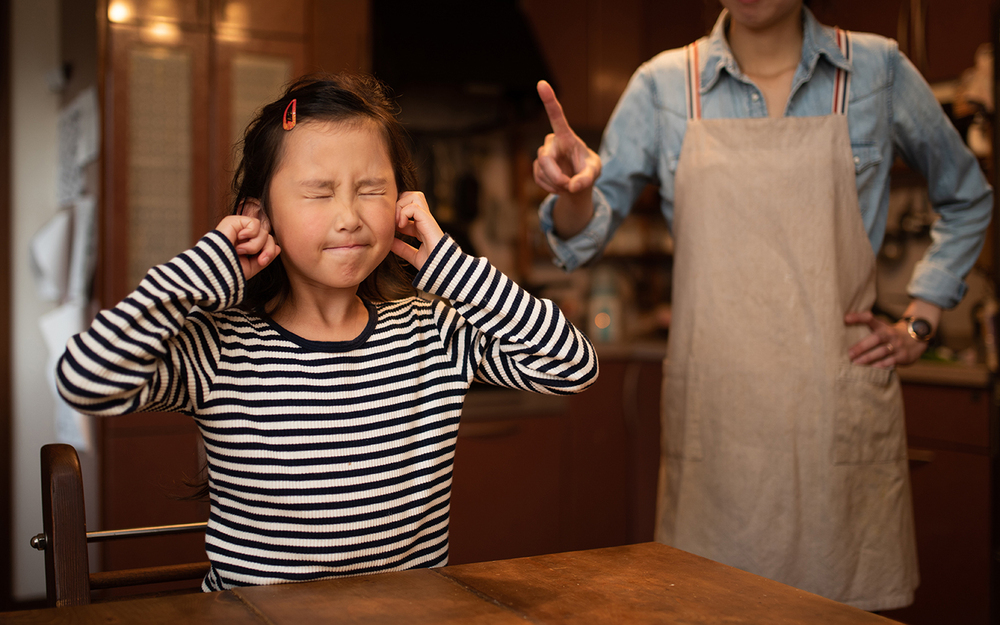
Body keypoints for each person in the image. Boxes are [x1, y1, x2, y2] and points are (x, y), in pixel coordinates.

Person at [532, 0, 991, 612]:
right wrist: (574, 194)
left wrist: (921, 317)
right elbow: (580, 240)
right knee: (712, 605)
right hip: (718, 427)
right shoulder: (663, 85)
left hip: (834, 417)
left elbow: (967, 197)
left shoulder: (877, 71)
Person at [57, 73, 598, 591]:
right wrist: (202, 271)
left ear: (404, 205)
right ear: (258, 216)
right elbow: (87, 379)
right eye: (318, 192)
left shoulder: (433, 332)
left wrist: (451, 267)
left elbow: (573, 367)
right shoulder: (219, 347)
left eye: (371, 189)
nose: (349, 217)